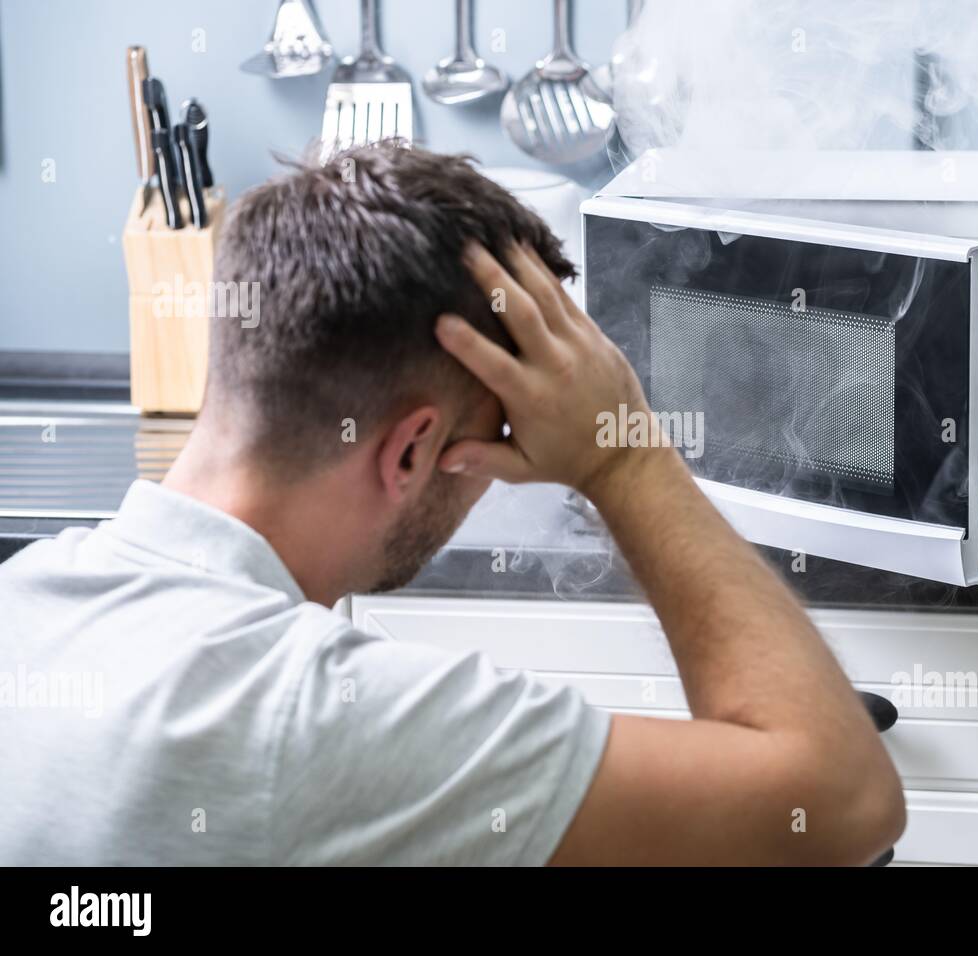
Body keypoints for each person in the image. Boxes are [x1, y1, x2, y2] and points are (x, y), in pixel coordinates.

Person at [0, 145, 904, 866]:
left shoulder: (28, 603)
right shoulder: (322, 719)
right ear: (408, 451)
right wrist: (622, 455)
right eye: (497, 440)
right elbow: (840, 804)